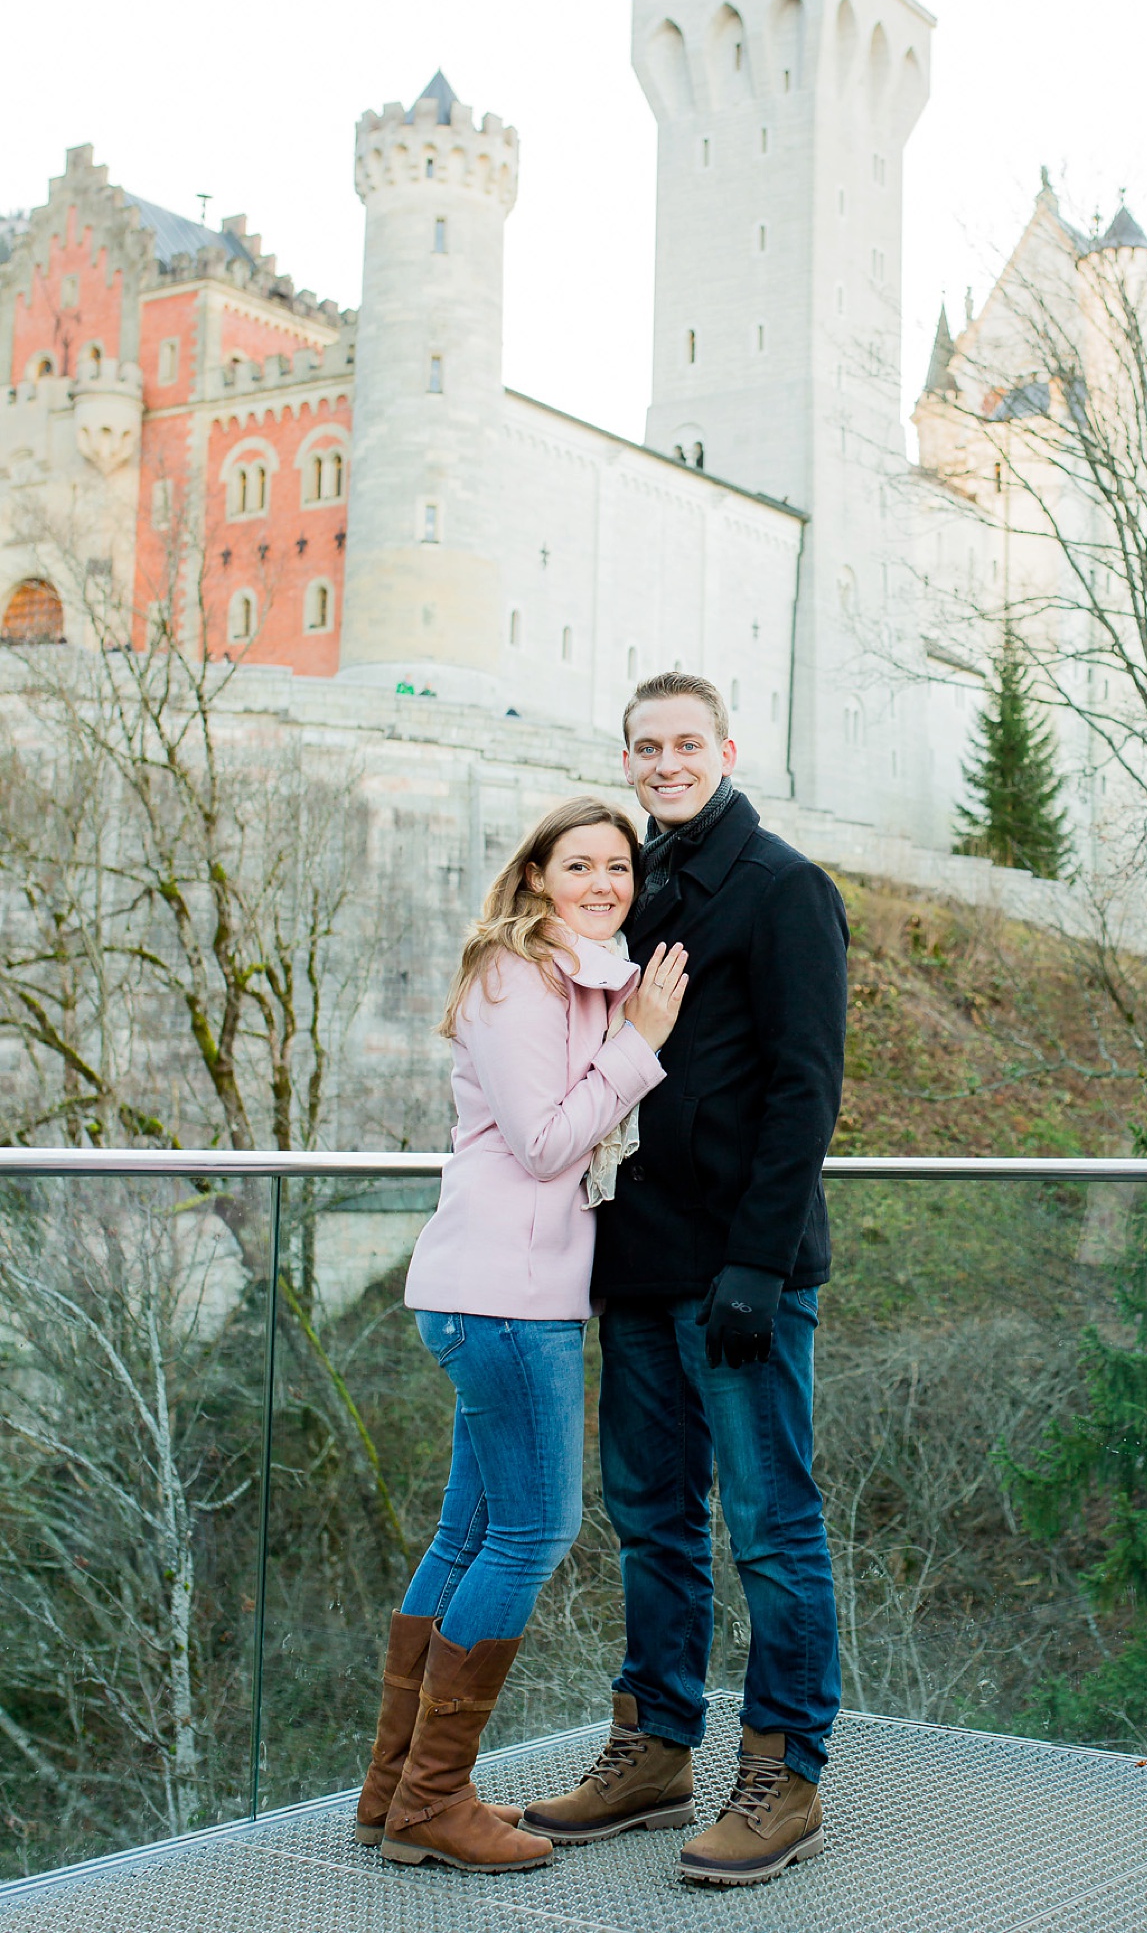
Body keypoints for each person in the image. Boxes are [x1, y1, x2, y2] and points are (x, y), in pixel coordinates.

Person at [522, 674, 849, 1890]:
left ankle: (784, 1771)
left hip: (740, 1269)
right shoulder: (631, 889)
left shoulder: (781, 889)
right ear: (627, 756)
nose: (663, 762)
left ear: (725, 748)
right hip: (639, 1265)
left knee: (769, 1524)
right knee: (652, 1517)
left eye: (683, 744)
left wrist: (759, 1267)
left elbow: (804, 1092)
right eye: (643, 746)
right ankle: (654, 1748)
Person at [355, 796, 689, 1875]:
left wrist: (626, 1026)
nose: (602, 883)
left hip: (515, 1294)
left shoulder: (580, 975)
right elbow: (546, 1144)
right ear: (537, 875)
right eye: (579, 865)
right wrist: (640, 1047)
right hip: (503, 1297)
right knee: (532, 1534)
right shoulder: (516, 977)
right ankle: (433, 1801)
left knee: (467, 1537)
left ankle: (393, 1795)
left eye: (618, 869)